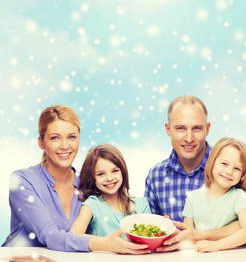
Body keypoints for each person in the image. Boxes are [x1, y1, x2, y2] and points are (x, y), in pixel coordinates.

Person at [2, 105, 150, 254]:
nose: (65, 146)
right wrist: (103, 243)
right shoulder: (22, 181)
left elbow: (110, 216)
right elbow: (49, 235)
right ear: (41, 142)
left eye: (72, 137)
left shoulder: (88, 183)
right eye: (55, 138)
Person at [144, 95, 246, 251]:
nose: (189, 138)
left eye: (197, 128)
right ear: (168, 129)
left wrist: (202, 236)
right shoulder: (156, 176)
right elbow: (150, 231)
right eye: (180, 128)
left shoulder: (228, 168)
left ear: (207, 129)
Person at [182, 137, 246, 252]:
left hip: (229, 260)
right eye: (224, 164)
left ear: (243, 174)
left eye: (237, 168)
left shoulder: (238, 196)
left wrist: (215, 246)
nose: (229, 172)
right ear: (212, 162)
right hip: (199, 257)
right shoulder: (192, 198)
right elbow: (189, 235)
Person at [70, 144, 151, 237]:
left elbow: (150, 237)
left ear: (122, 171)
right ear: (92, 178)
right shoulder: (92, 205)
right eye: (100, 174)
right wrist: (106, 243)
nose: (109, 178)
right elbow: (73, 237)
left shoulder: (142, 204)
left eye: (115, 171)